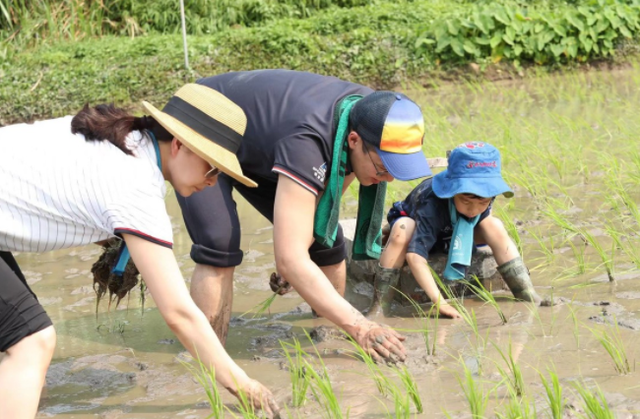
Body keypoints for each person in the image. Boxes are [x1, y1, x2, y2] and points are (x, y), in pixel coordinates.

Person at [0, 84, 279, 418]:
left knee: (17, 347)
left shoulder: (123, 139)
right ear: (179, 145)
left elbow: (58, 192)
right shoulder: (136, 186)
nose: (213, 180)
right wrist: (243, 384)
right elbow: (179, 313)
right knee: (32, 342)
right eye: (213, 167)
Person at [176, 69, 432, 363]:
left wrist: (296, 257)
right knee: (219, 242)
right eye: (383, 168)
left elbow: (325, 202)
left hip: (263, 142)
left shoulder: (371, 113)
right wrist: (360, 325)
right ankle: (207, 358)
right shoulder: (308, 142)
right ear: (353, 141)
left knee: (326, 239)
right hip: (204, 123)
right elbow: (290, 257)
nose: (386, 179)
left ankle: (328, 339)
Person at [368, 141, 542, 318]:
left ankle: (526, 294)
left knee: (494, 225)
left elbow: (482, 215)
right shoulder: (431, 204)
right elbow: (414, 257)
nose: (473, 210)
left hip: (452, 232)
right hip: (420, 229)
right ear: (451, 191)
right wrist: (440, 303)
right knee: (402, 229)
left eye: (483, 203)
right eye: (466, 201)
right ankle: (380, 308)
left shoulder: (486, 197)